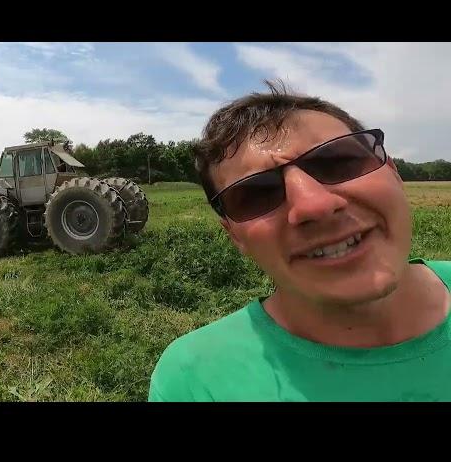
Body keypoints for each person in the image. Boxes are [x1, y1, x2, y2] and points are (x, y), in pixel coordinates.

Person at [148, 81, 451, 402]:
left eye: (338, 161)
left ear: (393, 172)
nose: (313, 205)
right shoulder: (194, 380)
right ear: (234, 235)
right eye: (255, 195)